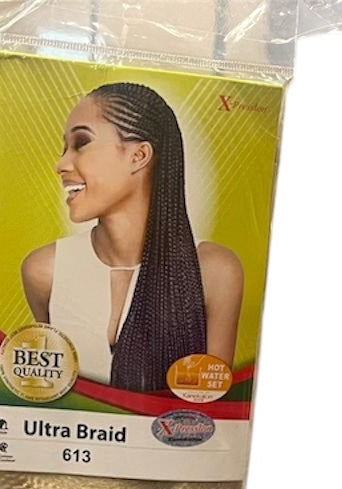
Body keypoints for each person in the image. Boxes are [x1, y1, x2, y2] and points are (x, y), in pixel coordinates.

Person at [21, 82, 243, 392]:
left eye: (81, 143)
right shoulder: (44, 271)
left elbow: (213, 405)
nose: (61, 164)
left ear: (139, 155)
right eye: (64, 148)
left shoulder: (214, 272)